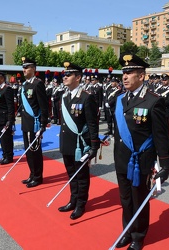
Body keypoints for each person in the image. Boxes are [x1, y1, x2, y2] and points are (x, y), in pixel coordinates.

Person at [113, 53, 169, 250]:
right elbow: (118, 131)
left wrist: (164, 164)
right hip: (122, 158)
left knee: (139, 199)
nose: (125, 76)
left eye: (130, 72)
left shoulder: (154, 101)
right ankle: (127, 230)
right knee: (125, 198)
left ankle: (138, 236)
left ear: (142, 76)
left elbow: (161, 136)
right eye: (124, 72)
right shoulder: (120, 99)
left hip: (141, 161)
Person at [58, 62, 100, 220]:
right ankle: (72, 200)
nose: (65, 77)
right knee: (71, 174)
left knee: (81, 176)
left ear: (78, 77)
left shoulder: (86, 97)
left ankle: (81, 204)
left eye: (69, 74)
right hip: (68, 142)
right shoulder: (65, 95)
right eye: (65, 74)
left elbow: (92, 124)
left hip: (80, 144)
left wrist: (93, 146)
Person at [19, 57, 49, 188]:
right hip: (25, 122)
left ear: (34, 69)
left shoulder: (38, 84)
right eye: (23, 67)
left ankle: (38, 176)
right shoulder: (24, 85)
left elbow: (44, 106)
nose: (24, 70)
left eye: (27, 67)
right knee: (28, 151)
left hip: (35, 123)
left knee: (35, 151)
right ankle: (32, 173)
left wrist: (43, 125)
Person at [0, 71, 15, 164]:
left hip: (4, 118)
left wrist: (10, 120)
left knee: (6, 138)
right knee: (1, 138)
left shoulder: (7, 89)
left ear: (2, 78)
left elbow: (10, 106)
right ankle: (4, 155)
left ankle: (9, 156)